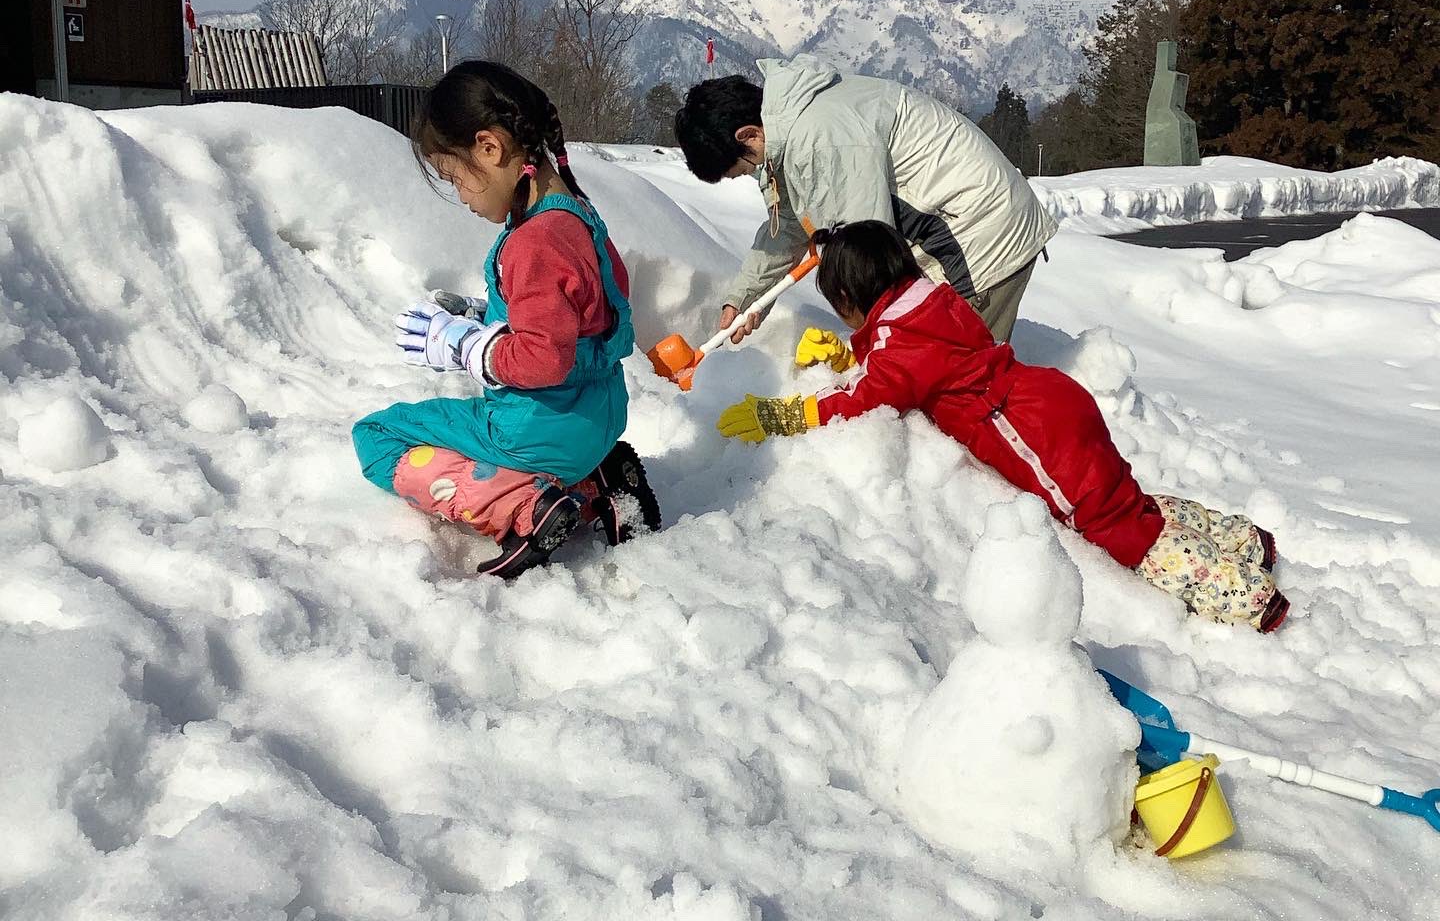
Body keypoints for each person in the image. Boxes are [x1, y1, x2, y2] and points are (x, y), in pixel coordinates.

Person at [715, 221, 1288, 632]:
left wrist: (788, 413)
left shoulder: (900, 341)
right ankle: (1243, 540)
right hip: (1048, 401)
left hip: (1029, 432)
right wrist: (850, 353)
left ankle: (1247, 597)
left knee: (1117, 527)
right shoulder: (931, 300)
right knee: (1121, 499)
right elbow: (905, 361)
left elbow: (870, 395)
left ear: (849, 297)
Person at [352, 61, 659, 579]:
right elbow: (577, 319)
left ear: (489, 149)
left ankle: (527, 507)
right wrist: (478, 316)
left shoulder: (534, 242)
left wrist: (464, 348)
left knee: (379, 436)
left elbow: (543, 358)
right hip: (599, 418)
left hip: (537, 429)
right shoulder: (578, 216)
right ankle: (597, 481)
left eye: (456, 179)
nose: (462, 198)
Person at [673, 58, 1057, 345]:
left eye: (743, 168)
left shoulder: (821, 136)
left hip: (976, 238)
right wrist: (745, 298)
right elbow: (789, 224)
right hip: (959, 227)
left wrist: (875, 343)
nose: (750, 174)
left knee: (954, 374)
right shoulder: (793, 127)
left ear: (749, 134)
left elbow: (867, 255)